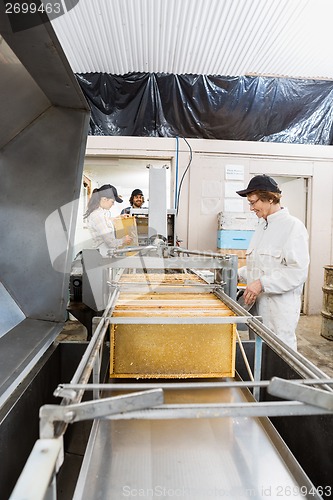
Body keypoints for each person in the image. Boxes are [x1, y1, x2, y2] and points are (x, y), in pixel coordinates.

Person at [236, 174, 309, 350]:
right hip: (258, 310)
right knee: (259, 354)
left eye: (253, 202)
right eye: (250, 203)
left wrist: (262, 284)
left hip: (278, 312)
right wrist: (234, 272)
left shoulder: (293, 227)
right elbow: (260, 267)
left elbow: (297, 271)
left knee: (278, 357)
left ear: (269, 198)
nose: (251, 208)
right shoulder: (262, 226)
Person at [84, 184, 132, 256]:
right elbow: (110, 242)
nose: (113, 205)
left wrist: (117, 218)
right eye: (112, 202)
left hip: (105, 255)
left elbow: (105, 222)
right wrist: (123, 240)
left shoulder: (100, 214)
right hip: (102, 255)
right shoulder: (97, 216)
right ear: (104, 199)